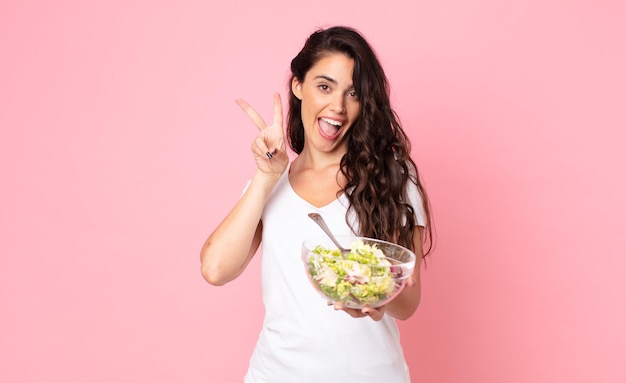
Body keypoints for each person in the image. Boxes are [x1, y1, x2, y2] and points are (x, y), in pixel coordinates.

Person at [200, 26, 433, 383]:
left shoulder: (394, 179)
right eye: (324, 87)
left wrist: (378, 300)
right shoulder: (270, 184)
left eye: (352, 93)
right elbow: (215, 269)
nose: (337, 107)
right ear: (298, 86)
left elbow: (409, 302)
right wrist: (265, 177)